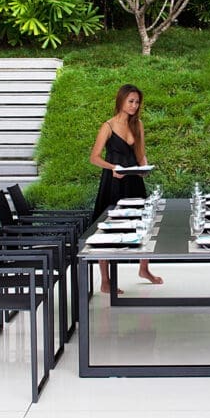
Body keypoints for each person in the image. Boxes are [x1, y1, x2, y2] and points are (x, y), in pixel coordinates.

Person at [90, 84, 163, 293]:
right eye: (130, 101)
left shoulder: (138, 124)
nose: (134, 105)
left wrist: (144, 168)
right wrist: (112, 167)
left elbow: (140, 154)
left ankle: (144, 269)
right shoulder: (108, 126)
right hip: (113, 181)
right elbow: (94, 158)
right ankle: (105, 280)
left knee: (144, 221)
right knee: (108, 228)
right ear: (121, 101)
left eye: (137, 102)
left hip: (133, 180)